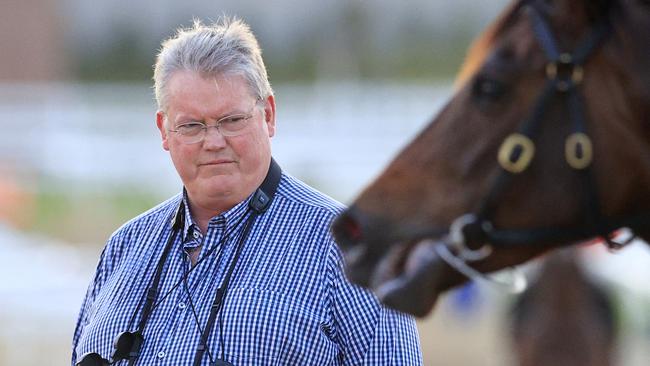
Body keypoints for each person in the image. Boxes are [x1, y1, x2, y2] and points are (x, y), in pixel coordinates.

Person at [72, 17, 422, 366]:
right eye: (192, 126)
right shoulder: (125, 247)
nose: (213, 142)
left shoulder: (351, 248)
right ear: (164, 130)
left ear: (268, 114)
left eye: (231, 121)